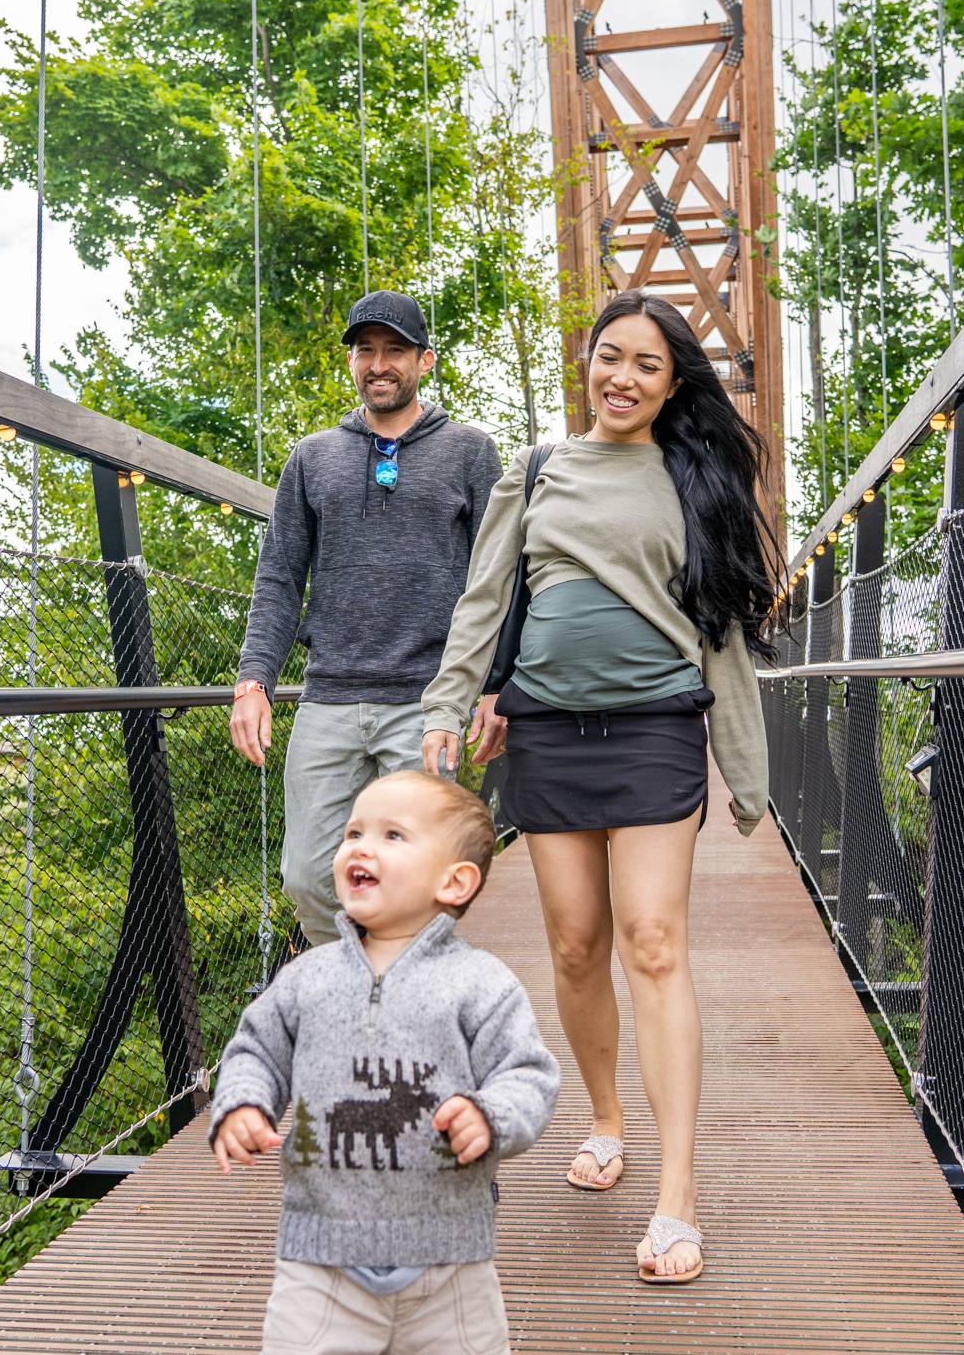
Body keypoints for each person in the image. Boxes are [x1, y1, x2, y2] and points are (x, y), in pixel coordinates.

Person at [421, 290, 785, 1284]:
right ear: (587, 361)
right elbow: (484, 599)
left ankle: (679, 1194)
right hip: (546, 733)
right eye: (610, 357)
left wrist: (747, 771)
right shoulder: (534, 472)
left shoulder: (692, 477)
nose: (623, 378)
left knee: (653, 943)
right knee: (576, 945)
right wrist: (448, 706)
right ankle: (607, 1119)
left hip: (655, 732)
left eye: (650, 366)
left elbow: (723, 634)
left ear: (674, 387)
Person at [210, 771, 560, 1354]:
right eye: (353, 832)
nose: (360, 846)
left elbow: (527, 1074)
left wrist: (490, 1114)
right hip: (321, 1261)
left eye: (392, 835)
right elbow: (257, 1050)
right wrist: (242, 1101)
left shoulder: (482, 984)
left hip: (451, 1266)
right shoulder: (306, 978)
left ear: (455, 882)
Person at [230, 290, 506, 946]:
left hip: (426, 702)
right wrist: (253, 679)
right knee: (305, 875)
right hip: (327, 697)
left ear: (424, 360)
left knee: (415, 875)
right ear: (352, 361)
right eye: (365, 350)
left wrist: (495, 685)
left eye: (394, 350)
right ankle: (356, 984)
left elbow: (497, 578)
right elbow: (277, 578)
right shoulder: (312, 457)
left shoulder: (470, 452)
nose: (378, 363)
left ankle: (406, 1009)